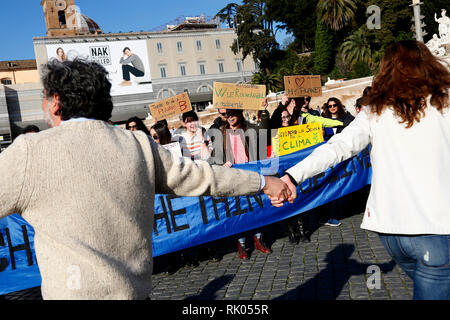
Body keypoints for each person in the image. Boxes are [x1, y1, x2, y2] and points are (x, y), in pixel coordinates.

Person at [0, 59, 292, 300]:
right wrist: (265, 183)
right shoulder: (137, 144)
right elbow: (204, 176)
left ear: (55, 102)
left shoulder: (30, 152)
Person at [275, 40, 450, 300]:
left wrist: (292, 176)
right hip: (435, 228)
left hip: (391, 232)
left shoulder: (374, 110)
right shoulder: (444, 101)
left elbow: (337, 147)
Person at [209, 105, 272, 260]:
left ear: (239, 113)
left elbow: (264, 132)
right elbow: (216, 157)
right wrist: (222, 164)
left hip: (250, 174)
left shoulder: (249, 128)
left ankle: (259, 239)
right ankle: (241, 244)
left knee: (255, 208)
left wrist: (263, 112)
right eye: (227, 114)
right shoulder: (221, 132)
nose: (230, 117)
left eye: (232, 114)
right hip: (232, 177)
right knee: (238, 211)